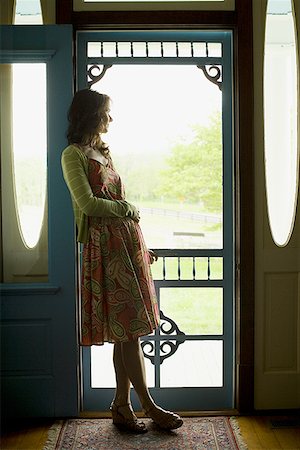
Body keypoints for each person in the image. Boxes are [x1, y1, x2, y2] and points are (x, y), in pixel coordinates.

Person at [61, 89, 183, 433]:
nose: (110, 119)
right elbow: (89, 205)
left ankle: (121, 405)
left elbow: (117, 201)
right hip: (104, 249)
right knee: (129, 333)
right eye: (106, 113)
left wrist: (140, 248)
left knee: (125, 332)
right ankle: (149, 406)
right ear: (90, 115)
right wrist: (127, 209)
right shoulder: (72, 155)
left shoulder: (102, 151)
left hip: (125, 247)